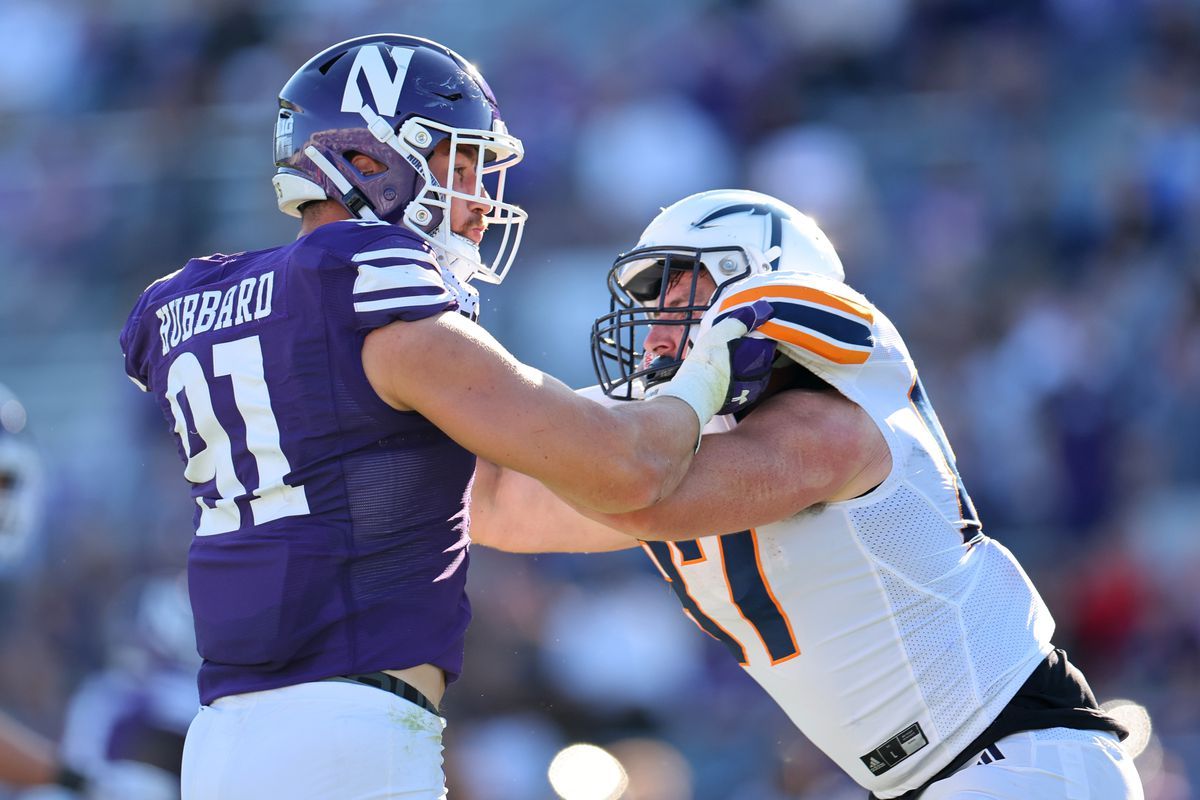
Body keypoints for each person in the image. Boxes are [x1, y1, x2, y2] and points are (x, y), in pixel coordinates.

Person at [118, 35, 765, 800]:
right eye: (458, 165)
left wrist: (733, 498)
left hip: (227, 742)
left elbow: (494, 502)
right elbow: (626, 463)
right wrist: (707, 379)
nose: (481, 197)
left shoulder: (203, 298)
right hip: (347, 732)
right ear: (365, 162)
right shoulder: (371, 285)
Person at [470, 189, 1145, 799]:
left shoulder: (830, 426)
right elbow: (496, 501)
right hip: (950, 776)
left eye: (677, 298)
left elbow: (640, 489)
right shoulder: (685, 440)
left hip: (1019, 761)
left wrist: (455, 359)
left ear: (752, 294)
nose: (654, 330)